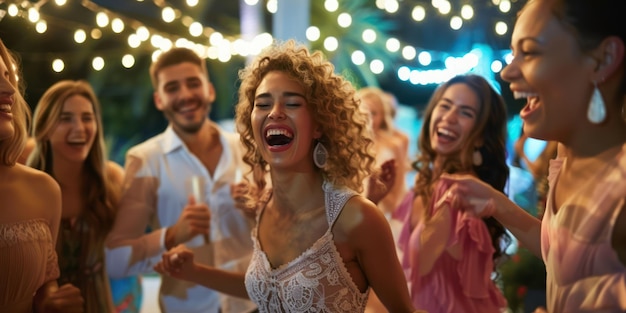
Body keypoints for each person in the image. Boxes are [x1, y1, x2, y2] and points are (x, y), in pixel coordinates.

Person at [154, 40, 418, 313]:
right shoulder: (264, 206)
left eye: (292, 103)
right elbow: (269, 290)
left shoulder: (357, 218)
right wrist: (193, 272)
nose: (275, 112)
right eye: (263, 103)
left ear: (319, 124)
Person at [442, 0, 626, 312]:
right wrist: (495, 203)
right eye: (513, 54)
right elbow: (562, 249)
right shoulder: (567, 157)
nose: (509, 71)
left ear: (602, 60)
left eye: (529, 52)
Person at [105, 47, 257, 313]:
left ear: (209, 90)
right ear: (159, 100)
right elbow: (115, 260)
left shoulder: (247, 149)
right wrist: (172, 235)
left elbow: (284, 230)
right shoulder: (145, 160)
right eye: (172, 88)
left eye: (193, 83)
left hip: (253, 303)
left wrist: (260, 211)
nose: (185, 95)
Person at [394, 74, 509, 312]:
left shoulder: (462, 192)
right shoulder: (425, 182)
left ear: (480, 137)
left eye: (465, 113)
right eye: (444, 106)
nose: (448, 118)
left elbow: (421, 261)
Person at [28, 80, 141, 312]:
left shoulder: (112, 180)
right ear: (43, 128)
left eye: (87, 118)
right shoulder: (28, 189)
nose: (79, 128)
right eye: (65, 118)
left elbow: (136, 245)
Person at [0, 38, 83, 312]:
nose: (10, 90)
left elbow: (46, 286)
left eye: (7, 76)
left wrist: (52, 303)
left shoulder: (44, 190)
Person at [356, 86, 409, 216]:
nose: (368, 117)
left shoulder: (394, 145)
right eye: (364, 110)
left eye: (374, 113)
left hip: (382, 210)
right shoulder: (348, 144)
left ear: (382, 116)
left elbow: (399, 185)